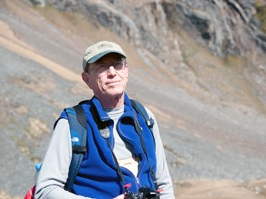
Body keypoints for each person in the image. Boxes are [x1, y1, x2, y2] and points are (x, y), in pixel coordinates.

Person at [34, 41, 175, 199]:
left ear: (126, 71)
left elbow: (163, 183)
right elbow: (45, 189)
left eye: (117, 64)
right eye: (102, 66)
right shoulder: (73, 124)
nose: (112, 72)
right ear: (87, 79)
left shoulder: (145, 116)